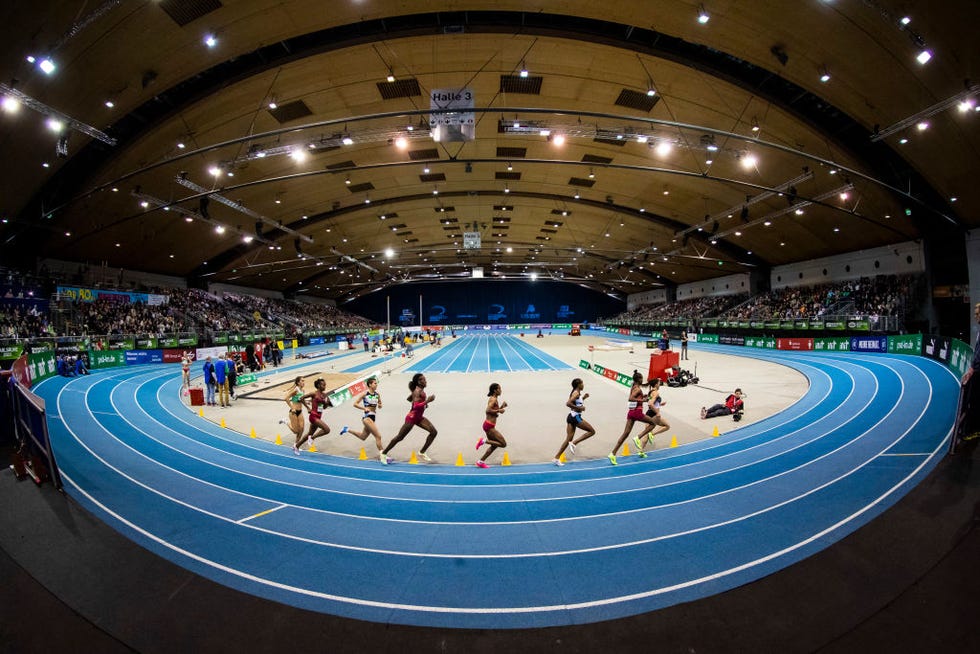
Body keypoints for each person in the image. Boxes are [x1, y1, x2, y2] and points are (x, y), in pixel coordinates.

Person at [381, 373, 437, 463]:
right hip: (412, 418)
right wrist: (427, 401)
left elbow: (410, 399)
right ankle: (384, 453)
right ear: (418, 382)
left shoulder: (420, 391)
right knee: (400, 437)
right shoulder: (417, 391)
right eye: (423, 379)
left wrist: (424, 404)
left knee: (434, 432)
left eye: (425, 379)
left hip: (419, 417)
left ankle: (422, 452)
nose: (425, 381)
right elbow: (415, 406)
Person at [608, 371, 660, 465]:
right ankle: (638, 437)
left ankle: (613, 453)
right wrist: (643, 400)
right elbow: (631, 398)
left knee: (625, 434)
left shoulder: (634, 387)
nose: (642, 380)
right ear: (638, 379)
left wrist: (642, 397)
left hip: (631, 413)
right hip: (637, 412)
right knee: (653, 423)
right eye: (641, 378)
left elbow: (634, 397)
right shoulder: (637, 389)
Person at [553, 378, 596, 466]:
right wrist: (580, 409)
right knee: (592, 431)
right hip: (575, 417)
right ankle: (574, 443)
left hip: (571, 416)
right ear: (578, 385)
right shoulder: (576, 393)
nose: (583, 385)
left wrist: (584, 398)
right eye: (582, 383)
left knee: (568, 439)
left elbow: (577, 402)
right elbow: (568, 403)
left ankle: (556, 458)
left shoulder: (577, 393)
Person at [344, 377, 385, 461]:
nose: (376, 384)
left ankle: (347, 429)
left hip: (373, 417)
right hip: (367, 418)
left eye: (376, 383)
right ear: (370, 384)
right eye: (375, 383)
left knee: (363, 437)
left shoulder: (377, 394)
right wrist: (364, 408)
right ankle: (383, 455)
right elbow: (355, 404)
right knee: (378, 436)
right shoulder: (364, 394)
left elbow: (380, 403)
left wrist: (380, 405)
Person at [958, 302, 980, 444]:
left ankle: (969, 431)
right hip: (976, 369)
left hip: (978, 372)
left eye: (977, 313)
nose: (975, 315)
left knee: (973, 402)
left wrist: (973, 368)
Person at [475, 382, 508, 468]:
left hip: (489, 425)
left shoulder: (495, 399)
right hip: (489, 426)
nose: (501, 390)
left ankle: (480, 461)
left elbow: (493, 412)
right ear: (495, 390)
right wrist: (499, 411)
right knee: (503, 444)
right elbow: (488, 410)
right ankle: (483, 441)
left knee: (494, 445)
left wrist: (501, 407)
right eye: (499, 389)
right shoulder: (493, 399)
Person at [633, 378, 670, 453]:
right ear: (656, 384)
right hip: (654, 415)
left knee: (647, 433)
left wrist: (660, 404)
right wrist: (657, 413)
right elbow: (650, 403)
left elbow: (652, 403)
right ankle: (652, 434)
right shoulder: (656, 393)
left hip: (649, 413)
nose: (660, 384)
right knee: (667, 426)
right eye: (659, 383)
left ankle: (640, 451)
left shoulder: (651, 391)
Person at [297, 378, 331, 450]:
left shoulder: (324, 395)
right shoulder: (314, 393)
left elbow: (324, 407)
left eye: (325, 385)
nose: (325, 387)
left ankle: (296, 446)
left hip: (319, 416)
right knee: (327, 430)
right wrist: (308, 408)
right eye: (323, 385)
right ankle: (312, 438)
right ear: (318, 385)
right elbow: (301, 398)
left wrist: (327, 403)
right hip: (313, 416)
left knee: (309, 433)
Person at [283, 377, 306, 455]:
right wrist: (292, 407)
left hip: (300, 411)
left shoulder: (303, 390)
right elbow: (286, 398)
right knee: (296, 431)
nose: (304, 382)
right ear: (298, 382)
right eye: (302, 381)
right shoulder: (295, 390)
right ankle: (286, 422)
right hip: (293, 412)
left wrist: (307, 403)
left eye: (304, 381)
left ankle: (296, 445)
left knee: (302, 429)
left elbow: (301, 400)